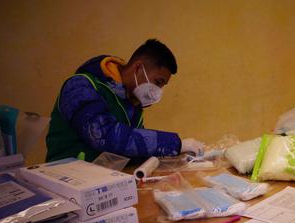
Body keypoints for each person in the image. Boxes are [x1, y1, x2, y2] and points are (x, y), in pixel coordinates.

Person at [45, 39, 204, 162]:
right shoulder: (81, 85)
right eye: (158, 82)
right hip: (64, 181)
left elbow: (132, 150)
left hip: (102, 183)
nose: (158, 91)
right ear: (138, 68)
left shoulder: (132, 102)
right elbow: (103, 135)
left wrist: (172, 159)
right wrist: (175, 144)